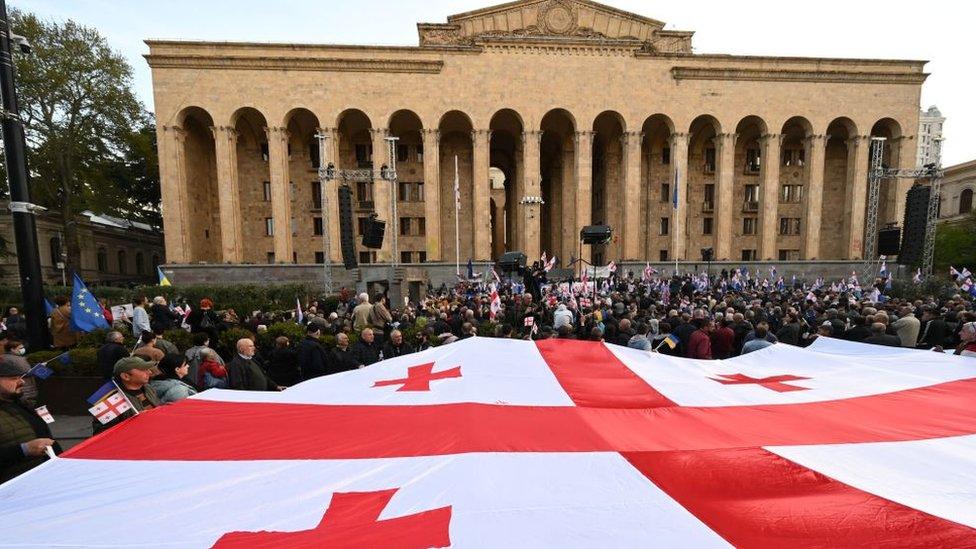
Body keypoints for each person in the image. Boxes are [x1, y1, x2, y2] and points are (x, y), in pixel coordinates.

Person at [1, 360, 61, 483]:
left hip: (41, 478)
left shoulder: (20, 404)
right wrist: (25, 449)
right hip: (10, 488)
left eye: (21, 377)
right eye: (14, 378)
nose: (21, 382)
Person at [94, 356, 161, 435]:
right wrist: (136, 423)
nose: (149, 372)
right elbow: (103, 434)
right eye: (143, 370)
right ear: (126, 376)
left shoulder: (148, 388)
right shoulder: (110, 399)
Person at [3, 340, 37, 406]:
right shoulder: (19, 359)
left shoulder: (2, 357)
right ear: (12, 349)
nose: (22, 350)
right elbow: (26, 371)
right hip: (24, 387)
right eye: (20, 348)